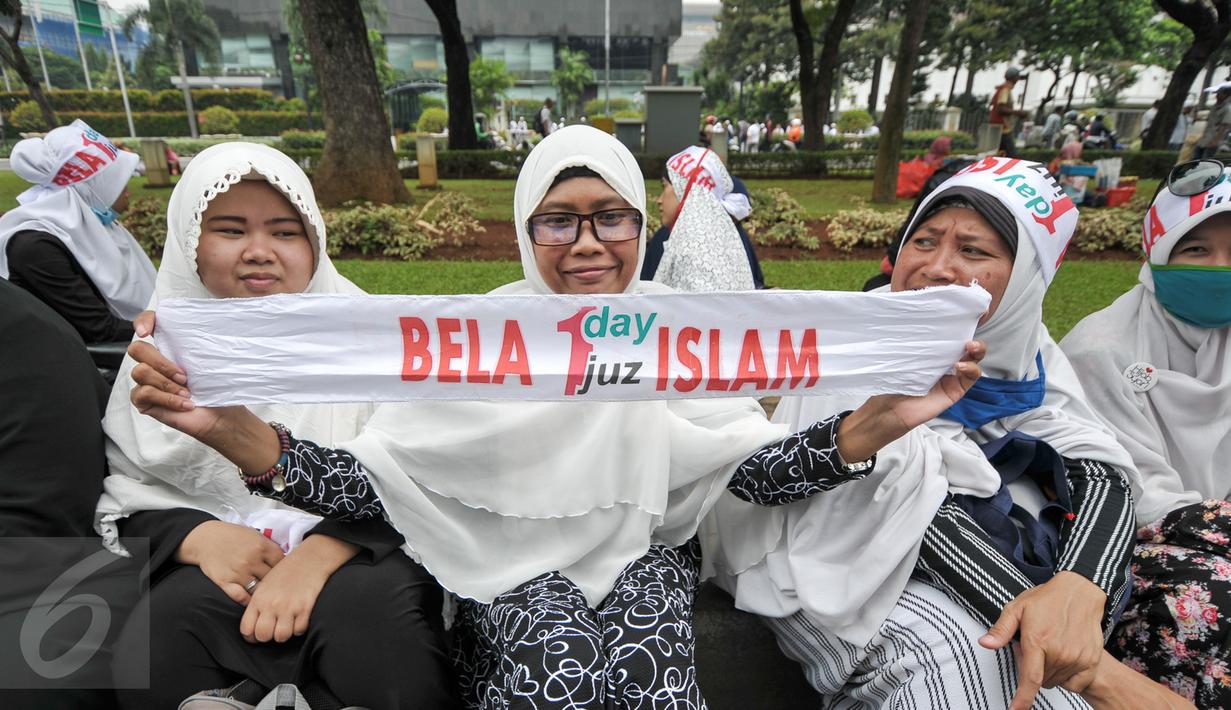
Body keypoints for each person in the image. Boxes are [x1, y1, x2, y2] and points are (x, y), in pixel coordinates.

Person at [123, 125, 987, 710]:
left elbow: (748, 469)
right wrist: (235, 433)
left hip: (642, 547)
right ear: (524, 229)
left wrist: (875, 424)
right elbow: (375, 481)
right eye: (558, 221)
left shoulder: (673, 335)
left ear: (640, 224)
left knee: (654, 670)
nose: (587, 243)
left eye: (611, 218)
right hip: (499, 551)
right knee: (553, 663)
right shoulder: (476, 342)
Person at [714, 158, 1193, 710]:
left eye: (973, 250)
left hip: (987, 565)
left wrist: (1080, 585)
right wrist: (1099, 673)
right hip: (832, 560)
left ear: (1025, 279)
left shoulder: (1030, 354)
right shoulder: (866, 339)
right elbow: (908, 505)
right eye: (923, 241)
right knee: (977, 661)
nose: (937, 268)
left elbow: (1101, 468)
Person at [99, 143, 456, 710]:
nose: (258, 252)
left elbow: (419, 474)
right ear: (189, 243)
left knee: (384, 644)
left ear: (315, 242)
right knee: (156, 646)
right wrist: (199, 538)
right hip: (218, 559)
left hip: (362, 550)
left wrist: (320, 552)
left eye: (285, 232)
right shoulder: (159, 356)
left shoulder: (375, 340)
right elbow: (132, 483)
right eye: (230, 230)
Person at [1060, 160, 1231, 708]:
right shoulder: (1102, 348)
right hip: (1133, 544)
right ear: (1158, 250)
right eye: (1196, 249)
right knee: (1215, 600)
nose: (1220, 268)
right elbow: (1138, 493)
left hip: (1217, 534)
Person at [0, 120, 155, 345]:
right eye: (120, 182)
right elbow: (100, 329)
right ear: (91, 187)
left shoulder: (95, 225)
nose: (128, 192)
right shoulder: (36, 247)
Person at [644, 148, 765, 289]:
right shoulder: (730, 239)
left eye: (665, 186)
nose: (659, 200)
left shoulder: (689, 248)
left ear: (685, 189)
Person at [990, 67, 1028, 157]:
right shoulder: (1005, 90)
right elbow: (1001, 109)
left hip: (998, 126)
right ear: (1013, 77)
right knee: (1012, 155)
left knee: (1000, 155)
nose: (1018, 78)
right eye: (1017, 76)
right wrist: (1017, 112)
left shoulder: (1003, 89)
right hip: (1003, 127)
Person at [1196, 83, 1231, 159]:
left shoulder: (1228, 109)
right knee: (1195, 160)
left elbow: (1225, 127)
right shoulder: (1214, 107)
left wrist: (1215, 141)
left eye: (1219, 94)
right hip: (1204, 138)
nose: (1217, 96)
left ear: (1226, 95)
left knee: (1205, 161)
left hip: (1213, 140)